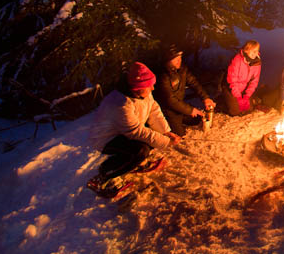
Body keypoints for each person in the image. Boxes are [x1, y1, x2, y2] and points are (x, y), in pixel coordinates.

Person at [88, 62, 181, 190]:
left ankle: (135, 162)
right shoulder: (120, 103)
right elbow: (136, 132)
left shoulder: (144, 92)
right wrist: (165, 141)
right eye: (150, 86)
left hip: (123, 131)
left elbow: (153, 110)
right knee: (140, 150)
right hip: (105, 138)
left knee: (150, 140)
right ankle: (107, 173)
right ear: (138, 87)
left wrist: (165, 132)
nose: (152, 89)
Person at [155, 44, 216, 136]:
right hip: (167, 110)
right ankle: (168, 122)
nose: (179, 61)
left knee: (198, 119)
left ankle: (181, 117)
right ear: (168, 60)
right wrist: (191, 110)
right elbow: (170, 100)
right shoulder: (163, 76)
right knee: (180, 134)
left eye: (180, 58)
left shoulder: (182, 69)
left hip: (179, 106)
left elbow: (194, 83)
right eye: (176, 59)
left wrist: (205, 98)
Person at [220, 40, 262, 116]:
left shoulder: (257, 62)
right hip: (231, 88)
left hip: (244, 88)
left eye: (257, 51)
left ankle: (245, 99)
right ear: (246, 50)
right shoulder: (237, 60)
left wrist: (247, 96)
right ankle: (223, 101)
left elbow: (254, 81)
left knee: (248, 109)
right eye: (253, 51)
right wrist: (238, 97)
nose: (255, 53)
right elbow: (232, 81)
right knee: (235, 112)